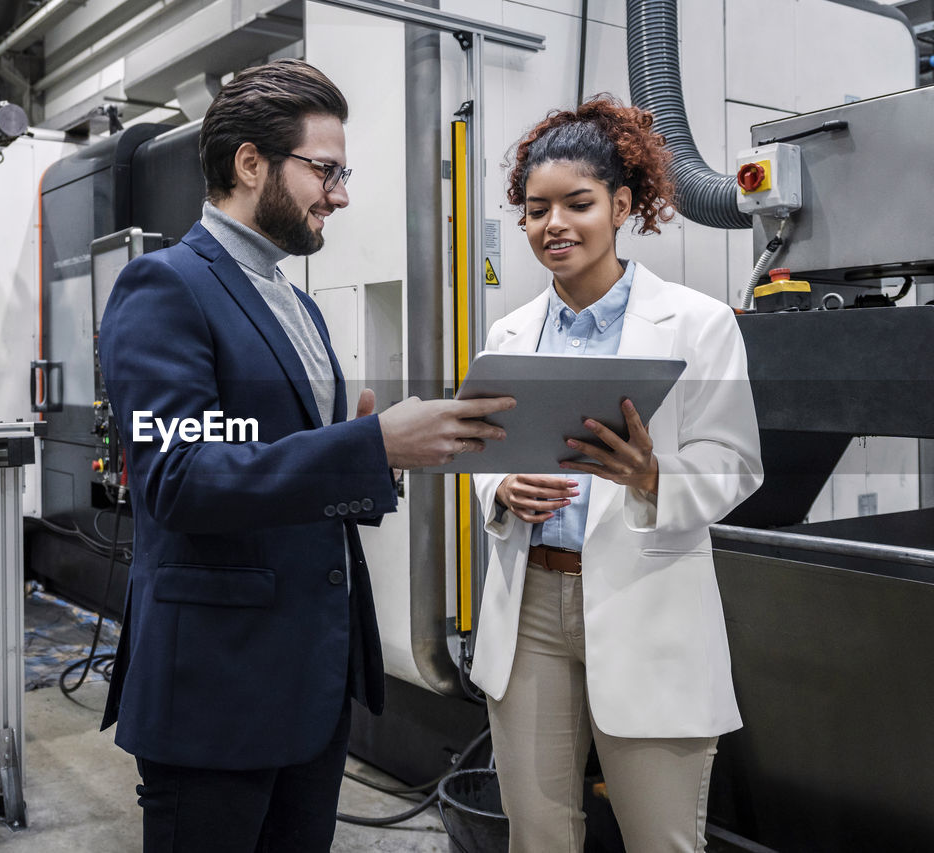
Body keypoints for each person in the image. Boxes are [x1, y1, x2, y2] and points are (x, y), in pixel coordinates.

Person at [97, 59, 513, 853]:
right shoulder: (166, 287)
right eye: (326, 169)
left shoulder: (295, 303)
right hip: (218, 689)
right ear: (250, 163)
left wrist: (377, 454)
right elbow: (178, 478)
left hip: (309, 680)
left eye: (342, 171)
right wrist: (368, 443)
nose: (342, 193)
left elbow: (285, 458)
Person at [470, 97, 764, 853]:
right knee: (537, 834)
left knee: (662, 838)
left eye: (578, 204)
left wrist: (652, 473)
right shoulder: (509, 332)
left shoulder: (698, 324)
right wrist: (501, 488)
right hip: (530, 597)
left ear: (623, 205)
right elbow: (481, 451)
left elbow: (736, 463)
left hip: (645, 599)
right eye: (537, 210)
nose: (554, 225)